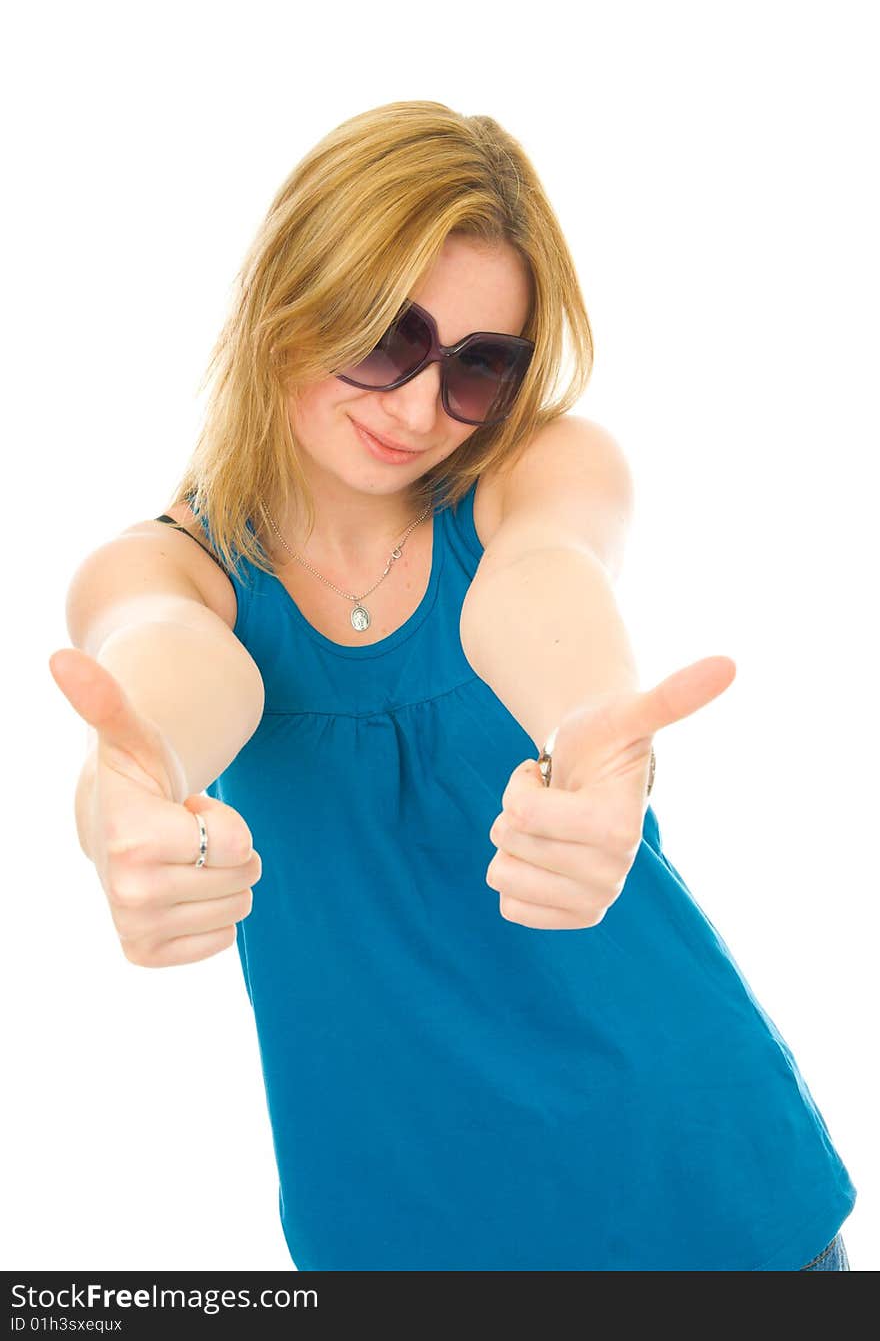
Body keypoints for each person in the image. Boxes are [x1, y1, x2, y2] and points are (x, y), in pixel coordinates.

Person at [51, 100, 856, 1271]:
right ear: (291, 301)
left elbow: (544, 584)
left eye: (479, 366)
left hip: (702, 1193)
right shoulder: (166, 568)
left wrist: (589, 732)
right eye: (386, 338)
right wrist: (124, 801)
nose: (423, 409)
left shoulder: (539, 470)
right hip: (402, 1237)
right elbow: (162, 667)